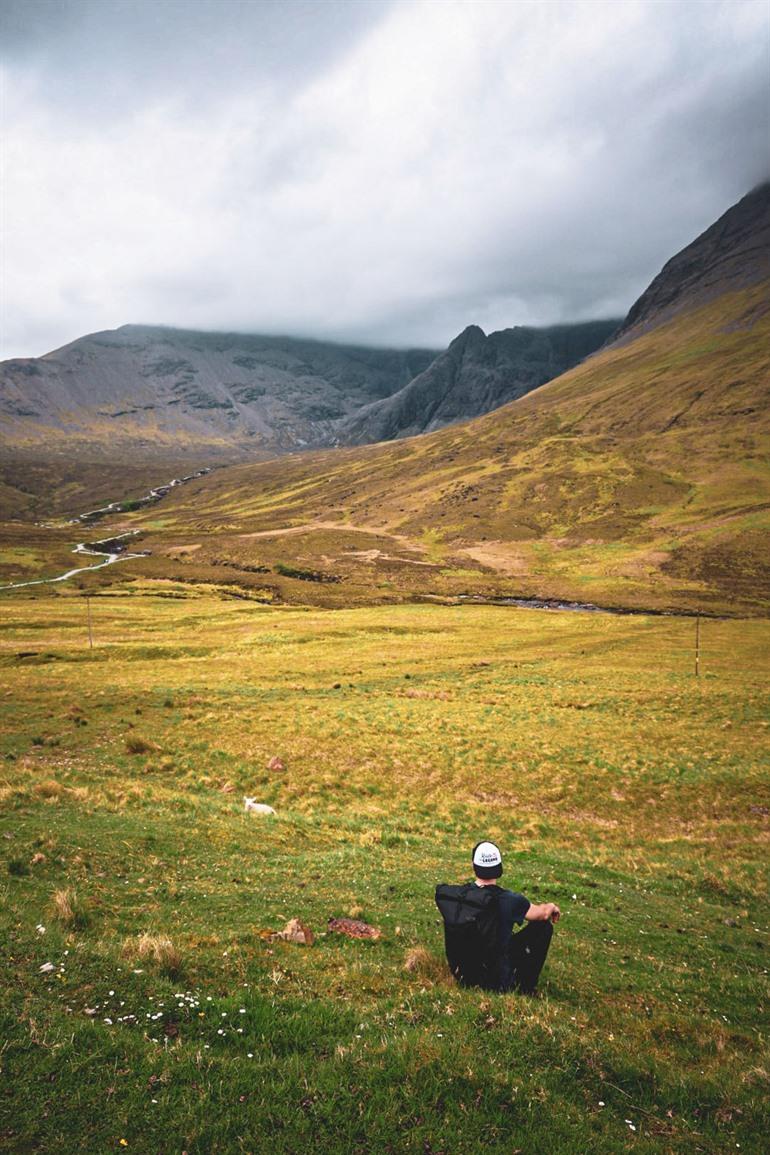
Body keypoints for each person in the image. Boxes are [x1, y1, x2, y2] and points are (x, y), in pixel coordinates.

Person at [440, 841, 560, 993]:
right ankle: (525, 987)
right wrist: (552, 906)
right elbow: (542, 914)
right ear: (499, 868)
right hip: (495, 982)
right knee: (543, 927)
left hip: (463, 974)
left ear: (473, 865)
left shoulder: (460, 896)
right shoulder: (508, 900)